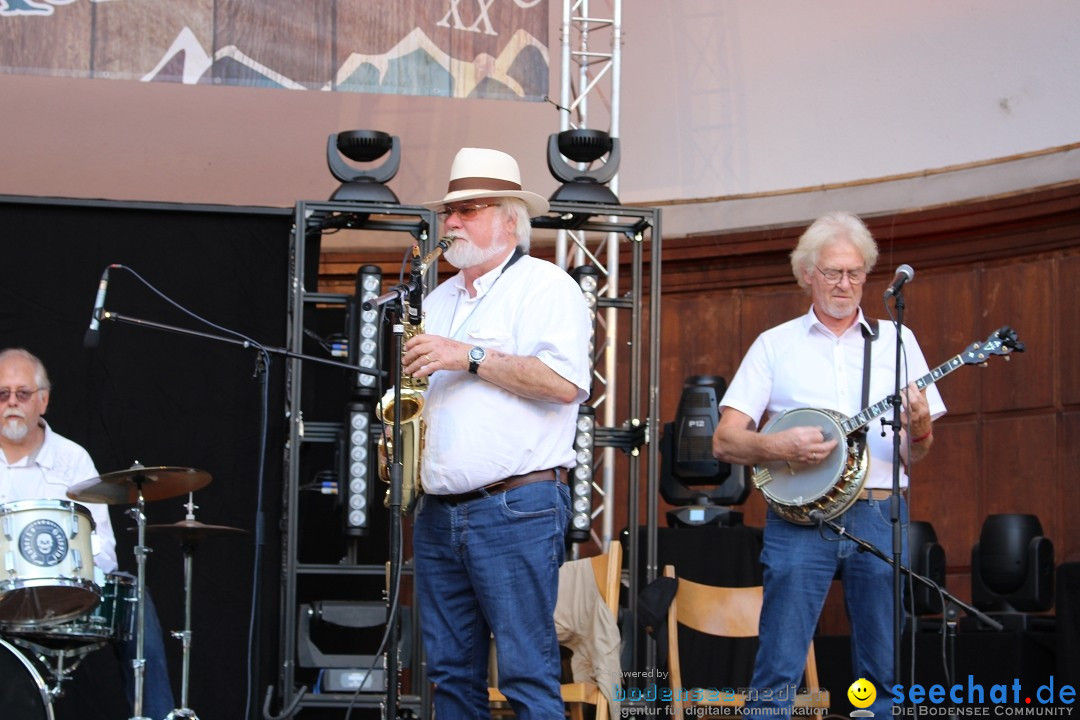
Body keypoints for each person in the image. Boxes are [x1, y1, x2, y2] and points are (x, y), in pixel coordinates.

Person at [712, 211, 947, 718]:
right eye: (833, 272)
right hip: (801, 521)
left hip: (880, 513)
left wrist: (922, 428)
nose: (845, 284)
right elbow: (726, 442)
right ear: (807, 275)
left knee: (881, 672)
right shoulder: (775, 345)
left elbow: (917, 454)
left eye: (856, 273)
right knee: (779, 666)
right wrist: (781, 448)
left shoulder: (898, 342)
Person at [400, 147, 592, 718]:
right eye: (448, 212)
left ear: (511, 219)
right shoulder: (436, 298)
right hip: (438, 513)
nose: (451, 223)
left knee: (527, 674)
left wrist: (468, 354)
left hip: (516, 507)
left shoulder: (546, 286)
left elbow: (563, 383)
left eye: (468, 210)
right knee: (451, 678)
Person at [0, 347, 176, 719]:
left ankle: (157, 715)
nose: (12, 402)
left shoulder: (73, 459)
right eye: (2, 394)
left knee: (135, 600)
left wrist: (73, 578)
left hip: (66, 598)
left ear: (43, 401)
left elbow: (104, 552)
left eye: (23, 393)